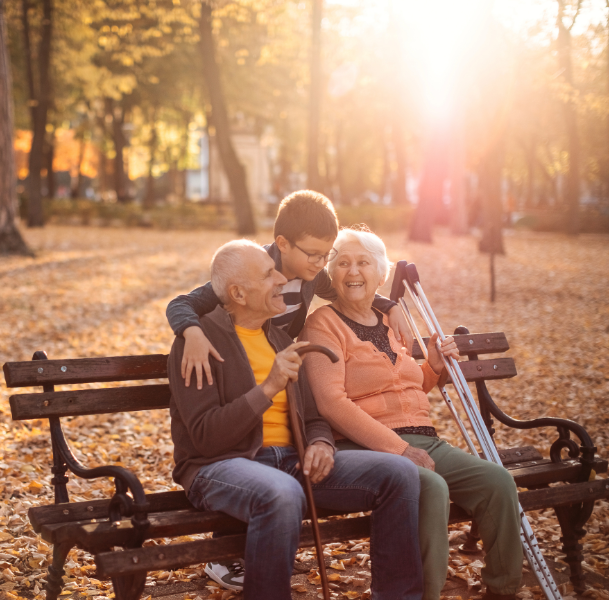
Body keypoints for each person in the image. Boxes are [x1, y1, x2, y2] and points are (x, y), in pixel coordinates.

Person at [169, 239, 424, 600]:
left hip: (290, 461)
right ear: (238, 293)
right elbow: (205, 437)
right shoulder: (197, 344)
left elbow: (313, 415)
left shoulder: (278, 338)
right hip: (219, 466)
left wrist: (320, 442)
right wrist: (268, 386)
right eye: (267, 274)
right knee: (282, 493)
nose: (280, 280)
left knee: (399, 473)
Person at [300, 226, 523, 600]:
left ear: (380, 272)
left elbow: (408, 388)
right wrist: (399, 450)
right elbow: (331, 403)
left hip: (425, 440)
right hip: (367, 448)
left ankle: (503, 590)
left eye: (363, 263)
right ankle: (425, 595)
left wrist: (433, 366)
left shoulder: (389, 320)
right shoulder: (322, 325)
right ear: (331, 274)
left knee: (497, 482)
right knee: (431, 487)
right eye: (342, 264)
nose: (353, 272)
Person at [166, 190, 413, 392]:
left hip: (278, 367)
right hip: (236, 367)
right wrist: (193, 334)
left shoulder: (313, 276)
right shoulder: (252, 271)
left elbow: (346, 289)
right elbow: (180, 304)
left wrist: (389, 307)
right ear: (283, 244)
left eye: (327, 255)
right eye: (313, 254)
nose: (320, 263)